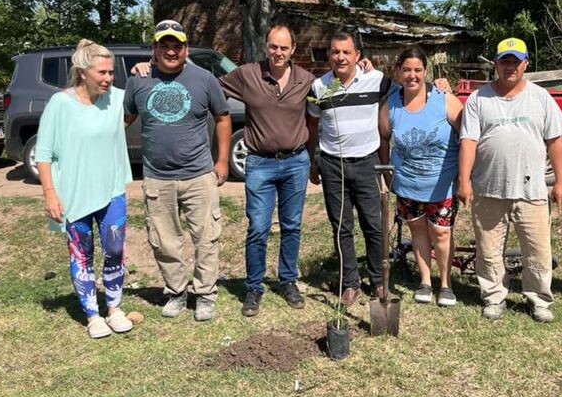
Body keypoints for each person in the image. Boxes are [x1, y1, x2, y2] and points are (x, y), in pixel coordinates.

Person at [124, 20, 231, 322]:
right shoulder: (138, 82)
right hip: (158, 177)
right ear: (154, 49)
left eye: (177, 45)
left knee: (207, 239)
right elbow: (123, 120)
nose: (171, 50)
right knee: (164, 240)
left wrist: (222, 162)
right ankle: (176, 293)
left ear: (185, 48)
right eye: (164, 45)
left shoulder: (204, 79)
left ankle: (206, 294)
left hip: (199, 175)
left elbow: (223, 118)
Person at [458, 37, 562, 323]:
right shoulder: (478, 99)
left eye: (515, 61)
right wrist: (464, 180)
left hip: (531, 189)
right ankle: (494, 297)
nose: (510, 66)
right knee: (489, 248)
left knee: (538, 249)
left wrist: (560, 182)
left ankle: (539, 299)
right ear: (495, 64)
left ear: (526, 64)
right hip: (488, 187)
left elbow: (555, 141)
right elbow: (468, 141)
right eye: (504, 61)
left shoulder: (540, 98)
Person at [36, 39, 133, 339]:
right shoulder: (60, 104)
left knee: (115, 250)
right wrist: (49, 193)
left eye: (111, 73)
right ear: (82, 72)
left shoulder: (117, 98)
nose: (108, 78)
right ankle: (93, 314)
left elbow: (143, 94)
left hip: (111, 189)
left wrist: (144, 69)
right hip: (74, 195)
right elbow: (43, 153)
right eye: (101, 72)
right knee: (82, 254)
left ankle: (114, 308)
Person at [217, 23, 313, 317]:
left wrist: (363, 64)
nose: (278, 52)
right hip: (259, 162)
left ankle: (288, 281)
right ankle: (254, 287)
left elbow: (338, 84)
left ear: (293, 49)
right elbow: (208, 84)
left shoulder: (306, 80)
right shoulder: (247, 74)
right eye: (273, 46)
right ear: (265, 46)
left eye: (284, 47)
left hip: (296, 161)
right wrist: (152, 65)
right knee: (258, 227)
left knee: (292, 225)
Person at [307, 31, 395, 308]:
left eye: (347, 52)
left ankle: (379, 280)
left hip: (367, 161)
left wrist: (437, 85)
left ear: (358, 55)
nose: (340, 57)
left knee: (373, 224)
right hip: (333, 163)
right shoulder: (319, 87)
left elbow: (409, 90)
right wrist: (313, 159)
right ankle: (350, 284)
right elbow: (311, 125)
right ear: (329, 55)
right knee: (341, 226)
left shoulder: (376, 80)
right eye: (335, 52)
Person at [379, 46, 462, 306]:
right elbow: (383, 138)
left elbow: (467, 135)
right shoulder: (390, 104)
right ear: (398, 72)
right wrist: (386, 173)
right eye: (406, 70)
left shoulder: (443, 98)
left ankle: (446, 284)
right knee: (417, 231)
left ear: (426, 72)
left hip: (442, 183)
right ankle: (425, 281)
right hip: (407, 183)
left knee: (441, 232)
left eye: (417, 70)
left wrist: (465, 174)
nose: (412, 75)